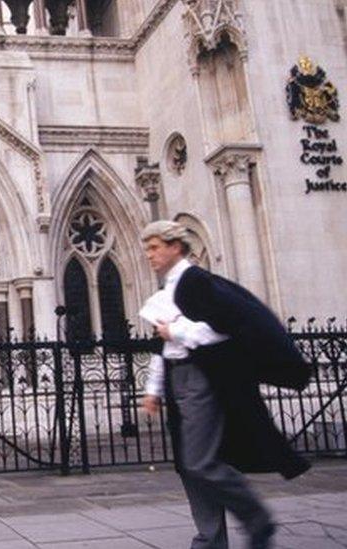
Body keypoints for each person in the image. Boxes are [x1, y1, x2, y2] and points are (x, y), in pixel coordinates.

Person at [138, 220, 311, 549]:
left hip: (199, 378)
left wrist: (177, 332)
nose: (149, 255)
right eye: (147, 248)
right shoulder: (169, 289)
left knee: (200, 461)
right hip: (179, 378)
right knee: (188, 466)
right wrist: (154, 389)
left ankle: (255, 516)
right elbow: (163, 347)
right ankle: (210, 540)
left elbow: (225, 326)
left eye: (155, 247)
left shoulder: (196, 281)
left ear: (175, 247)